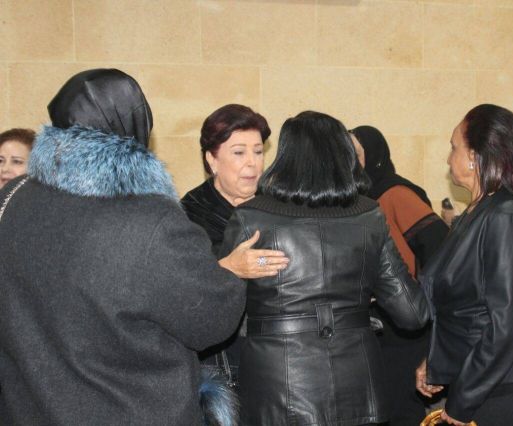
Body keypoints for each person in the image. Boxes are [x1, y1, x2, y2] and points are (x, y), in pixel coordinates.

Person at [0, 69, 246, 425]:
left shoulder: (11, 197)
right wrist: (231, 273)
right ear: (138, 128)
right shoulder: (152, 219)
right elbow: (212, 322)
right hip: (133, 411)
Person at [220, 111, 430, 425]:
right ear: (344, 156)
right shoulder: (369, 217)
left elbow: (220, 317)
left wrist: (225, 270)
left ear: (285, 157)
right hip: (359, 393)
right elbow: (412, 313)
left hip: (277, 393)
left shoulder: (251, 219)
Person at [415, 104, 513, 425]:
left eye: (453, 147)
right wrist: (435, 362)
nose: (448, 158)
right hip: (472, 376)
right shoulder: (475, 212)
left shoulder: (503, 216)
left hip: (496, 389)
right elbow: (461, 308)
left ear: (474, 156)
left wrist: (463, 399)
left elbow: (504, 325)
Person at [349, 125, 448, 425]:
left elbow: (440, 246)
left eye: (356, 154)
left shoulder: (395, 193)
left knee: (400, 407)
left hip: (404, 326)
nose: (350, 162)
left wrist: (418, 293)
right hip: (375, 324)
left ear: (374, 156)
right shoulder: (356, 200)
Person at [181, 104, 289, 368]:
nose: (252, 162)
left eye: (258, 152)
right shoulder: (188, 214)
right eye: (239, 153)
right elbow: (179, 293)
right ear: (212, 159)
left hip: (279, 352)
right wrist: (229, 267)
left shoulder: (279, 205)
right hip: (219, 358)